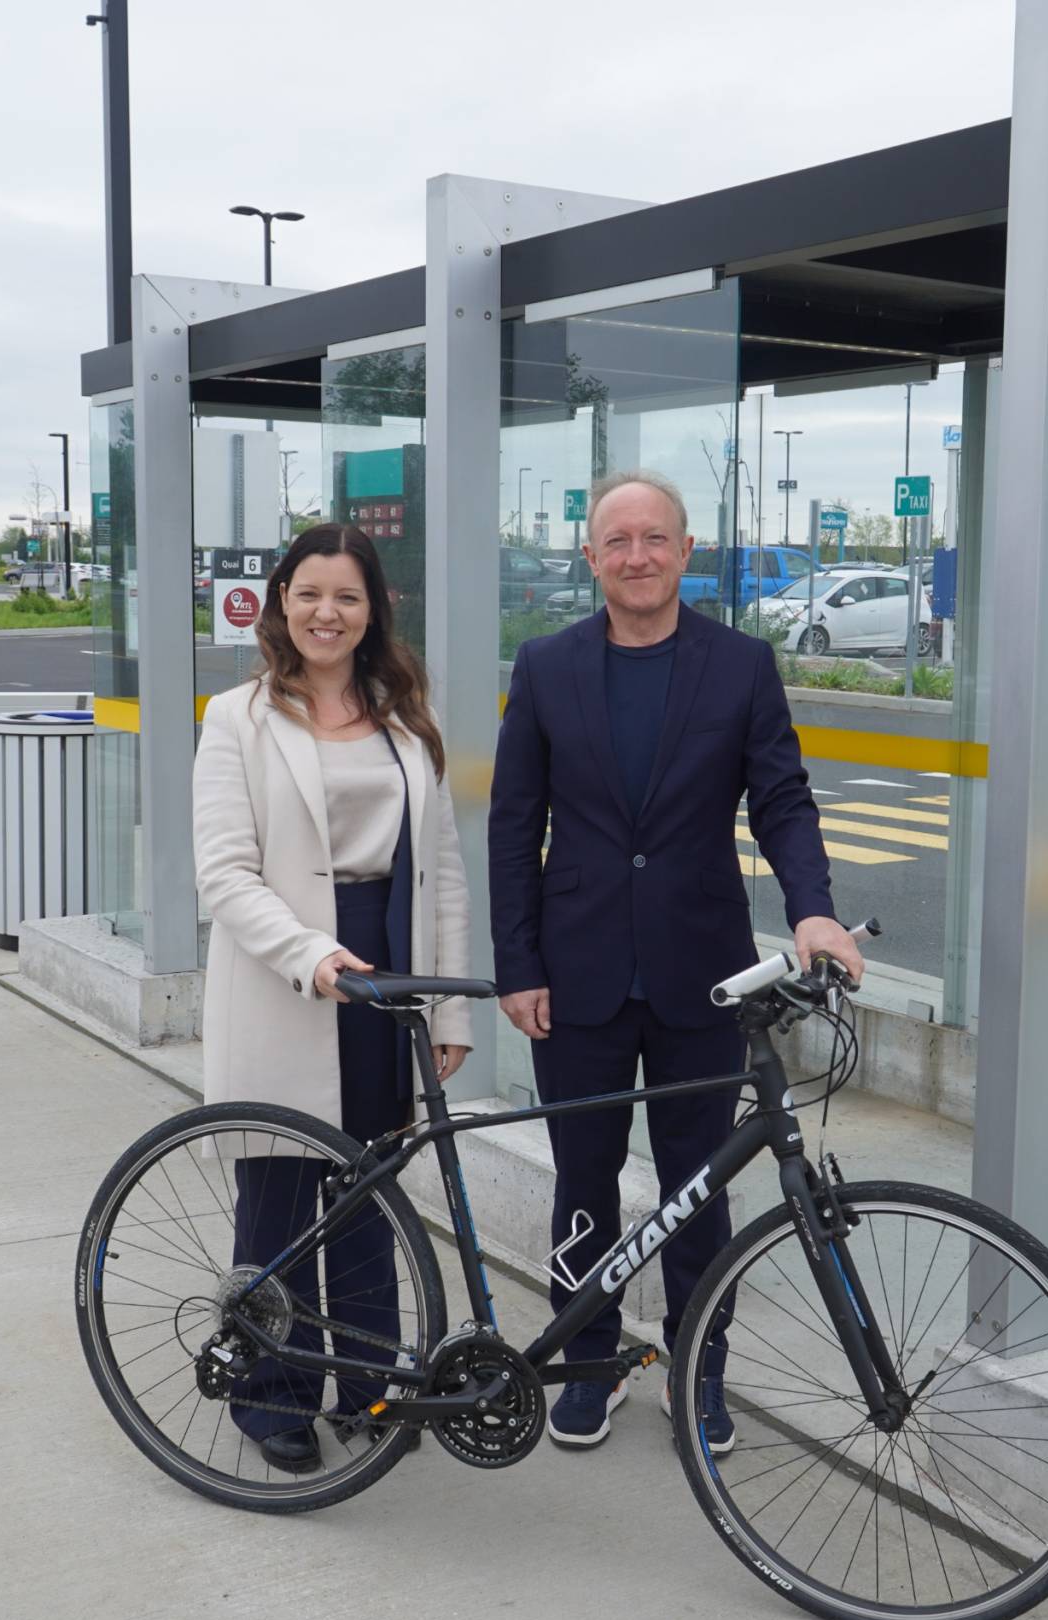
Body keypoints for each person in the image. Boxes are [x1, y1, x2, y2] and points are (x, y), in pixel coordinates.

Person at [490, 470, 864, 1451]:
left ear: (684, 551)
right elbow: (512, 824)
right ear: (590, 559)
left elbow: (781, 800)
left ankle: (698, 1367)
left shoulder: (739, 667)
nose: (636, 557)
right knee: (582, 1175)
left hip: (703, 973)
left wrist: (813, 913)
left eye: (653, 539)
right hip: (575, 976)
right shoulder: (545, 666)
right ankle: (588, 1362)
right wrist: (515, 963)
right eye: (616, 542)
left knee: (696, 1186)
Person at [192, 523, 472, 1472]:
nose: (326, 612)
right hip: (288, 975)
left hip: (388, 974)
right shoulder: (236, 717)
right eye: (309, 593)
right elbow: (223, 875)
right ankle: (270, 1394)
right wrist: (310, 954)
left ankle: (368, 1384)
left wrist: (449, 1010)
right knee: (277, 1198)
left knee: (368, 1199)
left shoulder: (405, 717)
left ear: (372, 611)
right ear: (280, 601)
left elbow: (441, 870)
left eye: (347, 597)